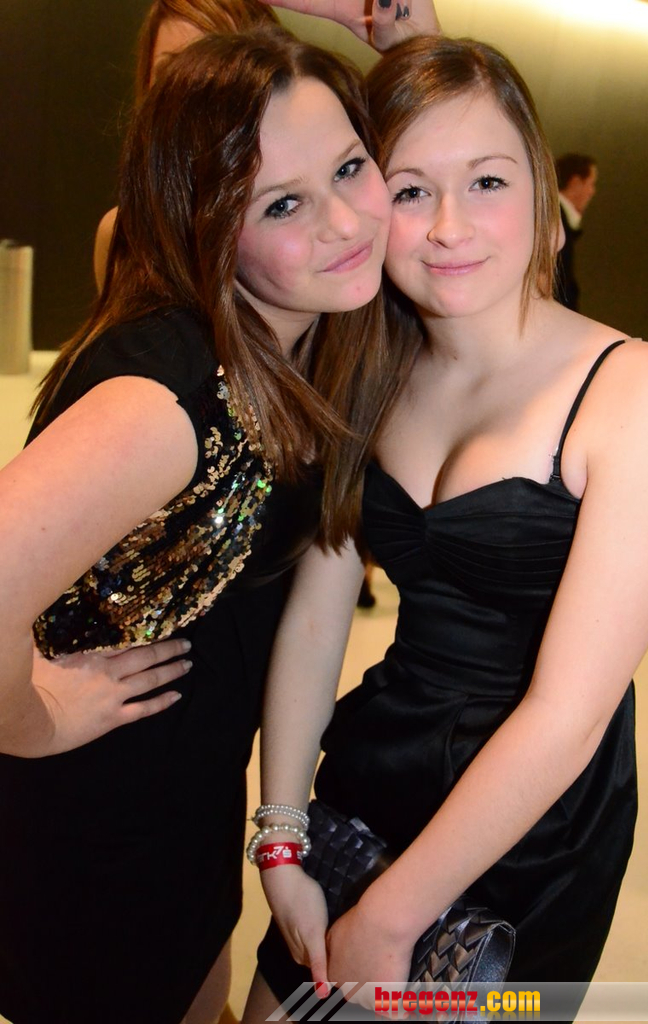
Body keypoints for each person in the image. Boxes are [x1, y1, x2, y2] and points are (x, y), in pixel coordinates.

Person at [242, 33, 648, 1023]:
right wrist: (280, 835)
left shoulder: (638, 394)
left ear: (541, 190)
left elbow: (569, 712)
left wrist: (395, 914)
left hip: (532, 822)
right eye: (410, 190)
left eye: (486, 181)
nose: (448, 227)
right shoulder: (369, 369)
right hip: (378, 766)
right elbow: (316, 616)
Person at [0, 25, 398, 1024]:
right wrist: (31, 718)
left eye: (351, 167)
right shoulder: (170, 397)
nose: (344, 220)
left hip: (185, 802)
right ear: (207, 225)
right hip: (93, 830)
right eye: (282, 204)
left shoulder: (306, 341)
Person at [93, 0, 279, 293]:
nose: (191, 88)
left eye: (216, 67)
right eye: (170, 71)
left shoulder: (314, 219)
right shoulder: (125, 238)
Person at [554, 152, 598, 311]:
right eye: (591, 184)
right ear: (576, 183)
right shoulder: (557, 220)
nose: (592, 192)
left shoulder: (555, 216)